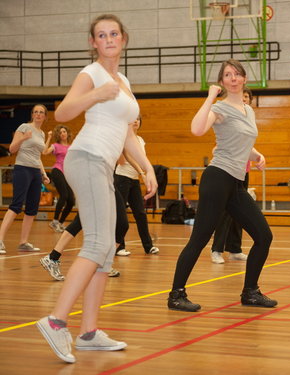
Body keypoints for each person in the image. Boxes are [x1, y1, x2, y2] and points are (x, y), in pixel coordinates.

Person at [36, 14, 157, 364]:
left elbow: (128, 132)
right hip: (86, 157)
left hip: (104, 164)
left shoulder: (123, 79)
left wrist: (146, 167)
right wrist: (96, 94)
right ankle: (56, 320)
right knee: (98, 243)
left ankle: (89, 332)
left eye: (113, 33)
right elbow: (63, 113)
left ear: (123, 39)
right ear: (93, 42)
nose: (108, 39)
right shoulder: (92, 75)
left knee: (107, 248)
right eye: (101, 35)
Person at [168, 59, 277, 312]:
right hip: (217, 179)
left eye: (237, 74)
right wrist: (209, 98)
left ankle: (250, 292)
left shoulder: (248, 111)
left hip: (236, 184)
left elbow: (240, 142)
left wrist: (256, 157)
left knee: (264, 235)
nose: (233, 78)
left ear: (244, 79)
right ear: (222, 81)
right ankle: (176, 294)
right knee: (200, 238)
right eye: (228, 75)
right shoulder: (219, 108)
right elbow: (197, 129)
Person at [40, 188, 130, 281]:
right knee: (81, 220)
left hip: (107, 185)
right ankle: (53, 257)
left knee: (121, 225)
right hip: (96, 185)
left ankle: (101, 263)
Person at [0, 104, 50, 254]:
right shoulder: (24, 127)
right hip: (22, 169)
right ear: (32, 114)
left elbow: (38, 156)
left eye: (41, 112)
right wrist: (23, 138)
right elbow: (12, 149)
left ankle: (23, 242)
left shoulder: (41, 134)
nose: (38, 114)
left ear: (45, 116)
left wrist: (43, 173)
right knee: (16, 205)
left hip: (35, 171)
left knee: (32, 209)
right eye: (36, 112)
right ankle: (0, 240)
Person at [210, 88, 253, 263]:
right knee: (225, 212)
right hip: (227, 172)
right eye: (242, 96)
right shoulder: (228, 115)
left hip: (244, 172)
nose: (244, 99)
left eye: (247, 97)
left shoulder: (249, 117)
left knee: (240, 213)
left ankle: (235, 248)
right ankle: (216, 249)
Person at [114, 115, 159, 255]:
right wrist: (142, 172)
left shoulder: (140, 140)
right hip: (122, 178)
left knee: (140, 213)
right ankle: (119, 247)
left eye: (138, 119)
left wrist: (146, 174)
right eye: (133, 119)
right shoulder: (123, 138)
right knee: (120, 215)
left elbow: (142, 159)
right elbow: (125, 158)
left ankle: (148, 246)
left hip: (134, 180)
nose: (136, 121)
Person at [43, 124, 75, 233]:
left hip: (67, 174)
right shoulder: (55, 145)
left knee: (71, 200)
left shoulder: (71, 147)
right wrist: (48, 138)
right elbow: (44, 152)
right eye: (60, 132)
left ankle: (60, 223)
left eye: (64, 132)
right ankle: (55, 220)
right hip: (57, 171)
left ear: (67, 133)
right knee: (64, 195)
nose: (62, 134)